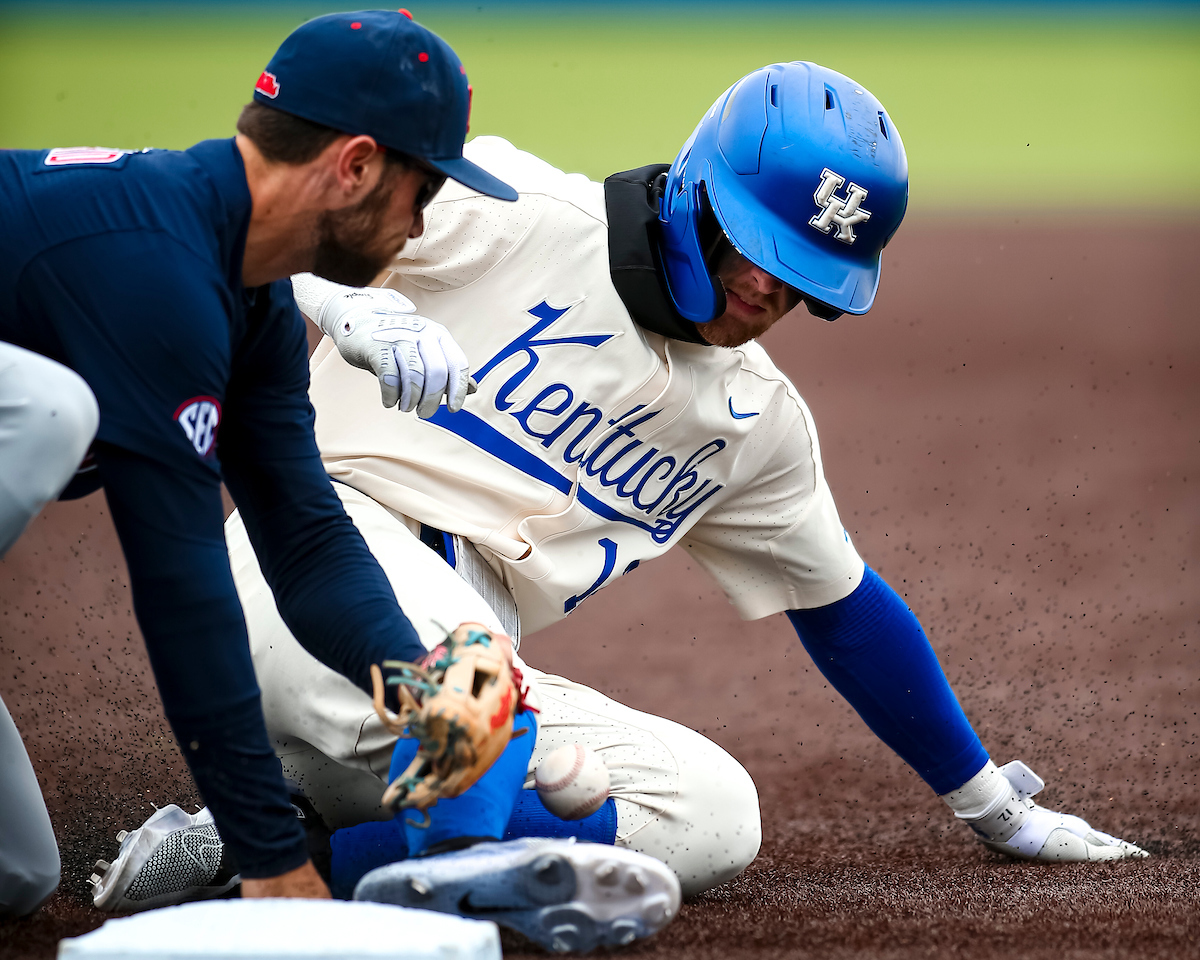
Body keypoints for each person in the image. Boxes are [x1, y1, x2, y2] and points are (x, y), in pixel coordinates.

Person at [93, 60, 1147, 927]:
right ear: (696, 188)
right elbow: (247, 209)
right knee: (479, 682)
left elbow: (845, 608)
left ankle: (277, 851)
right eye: (757, 247)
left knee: (713, 817)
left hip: (462, 689)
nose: (768, 292)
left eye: (805, 281)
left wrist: (988, 805)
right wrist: (343, 307)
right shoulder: (517, 212)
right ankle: (402, 851)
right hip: (308, 577)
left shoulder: (755, 422)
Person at [0, 9, 520, 916]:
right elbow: (184, 596)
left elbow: (306, 538)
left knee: (15, 875)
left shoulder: (253, 301)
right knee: (52, 412)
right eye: (422, 189)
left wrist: (416, 684)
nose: (423, 220)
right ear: (355, 165)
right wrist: (272, 860)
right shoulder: (157, 272)